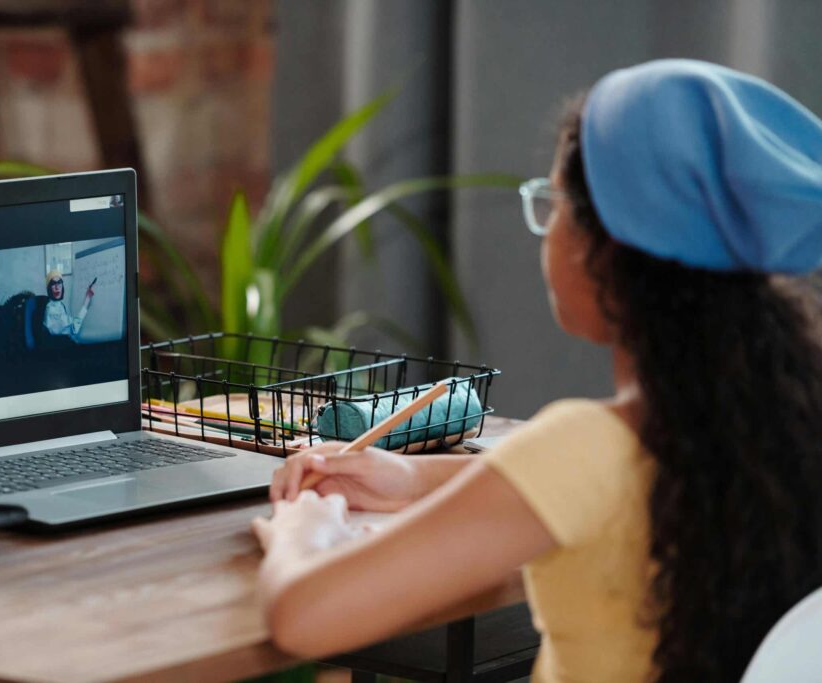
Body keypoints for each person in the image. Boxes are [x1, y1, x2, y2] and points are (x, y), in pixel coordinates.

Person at [252, 60, 822, 683]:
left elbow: (303, 615)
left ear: (605, 246)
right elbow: (590, 488)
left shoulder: (585, 445)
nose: (546, 233)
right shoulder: (780, 425)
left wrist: (304, 531)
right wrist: (410, 476)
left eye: (554, 205)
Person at [42, 270, 95, 340]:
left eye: (59, 283)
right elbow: (74, 328)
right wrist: (87, 300)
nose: (57, 287)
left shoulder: (59, 304)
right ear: (49, 288)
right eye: (53, 284)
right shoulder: (51, 310)